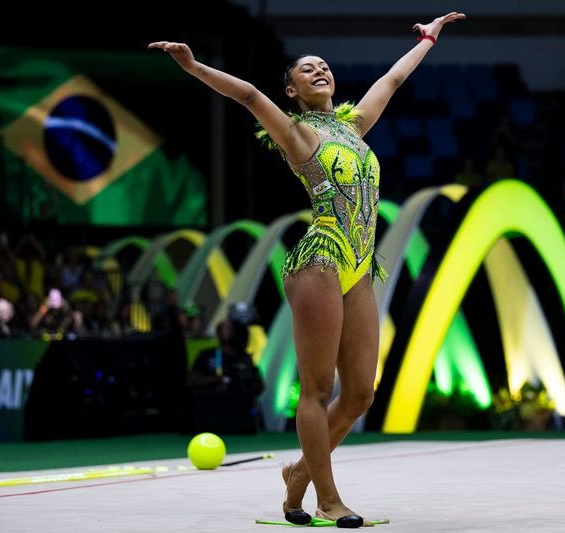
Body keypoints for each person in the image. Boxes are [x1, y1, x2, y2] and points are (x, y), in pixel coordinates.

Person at [150, 11, 465, 528]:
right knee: (316, 389)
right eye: (306, 68)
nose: (319, 69)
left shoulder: (353, 126)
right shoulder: (295, 133)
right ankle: (326, 498)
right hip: (320, 259)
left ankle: (297, 475)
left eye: (324, 65)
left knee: (361, 392)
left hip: (359, 265)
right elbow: (250, 96)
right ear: (292, 90)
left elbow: (393, 79)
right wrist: (194, 67)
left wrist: (429, 38)